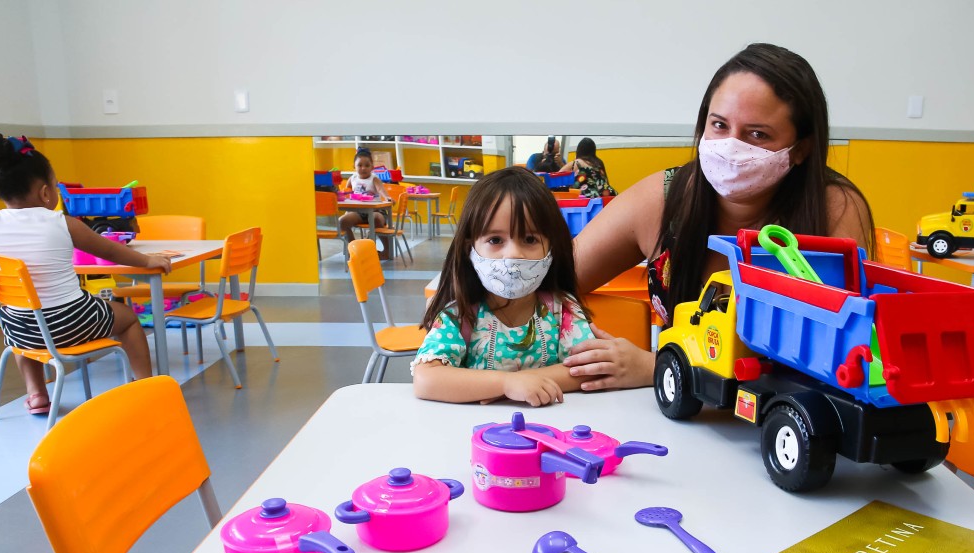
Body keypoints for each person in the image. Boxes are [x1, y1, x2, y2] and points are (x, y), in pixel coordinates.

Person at [565, 43, 875, 392]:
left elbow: (846, 358)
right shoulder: (664, 197)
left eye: (758, 134)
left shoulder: (833, 208)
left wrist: (655, 366)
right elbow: (550, 280)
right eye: (719, 125)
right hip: (680, 419)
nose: (731, 146)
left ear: (801, 148)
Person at [0, 133, 172, 415]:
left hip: (22, 330)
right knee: (128, 320)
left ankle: (37, 394)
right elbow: (111, 252)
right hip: (73, 322)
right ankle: (144, 384)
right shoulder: (61, 223)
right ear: (44, 193)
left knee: (20, 322)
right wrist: (148, 260)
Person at [413, 166, 594, 407]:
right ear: (470, 249)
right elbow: (427, 379)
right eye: (495, 240)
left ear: (552, 247)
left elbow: (589, 369)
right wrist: (506, 385)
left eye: (529, 239)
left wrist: (520, 382)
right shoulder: (460, 315)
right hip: (475, 436)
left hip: (550, 434)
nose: (513, 255)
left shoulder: (563, 311)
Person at [340, 148, 391, 245]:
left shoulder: (374, 178)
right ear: (354, 166)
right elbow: (347, 192)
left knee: (375, 218)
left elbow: (381, 189)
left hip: (376, 211)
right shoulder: (352, 178)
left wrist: (387, 197)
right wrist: (342, 196)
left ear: (372, 167)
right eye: (360, 165)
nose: (363, 168)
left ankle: (386, 251)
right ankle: (355, 248)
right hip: (359, 212)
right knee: (342, 221)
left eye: (367, 165)